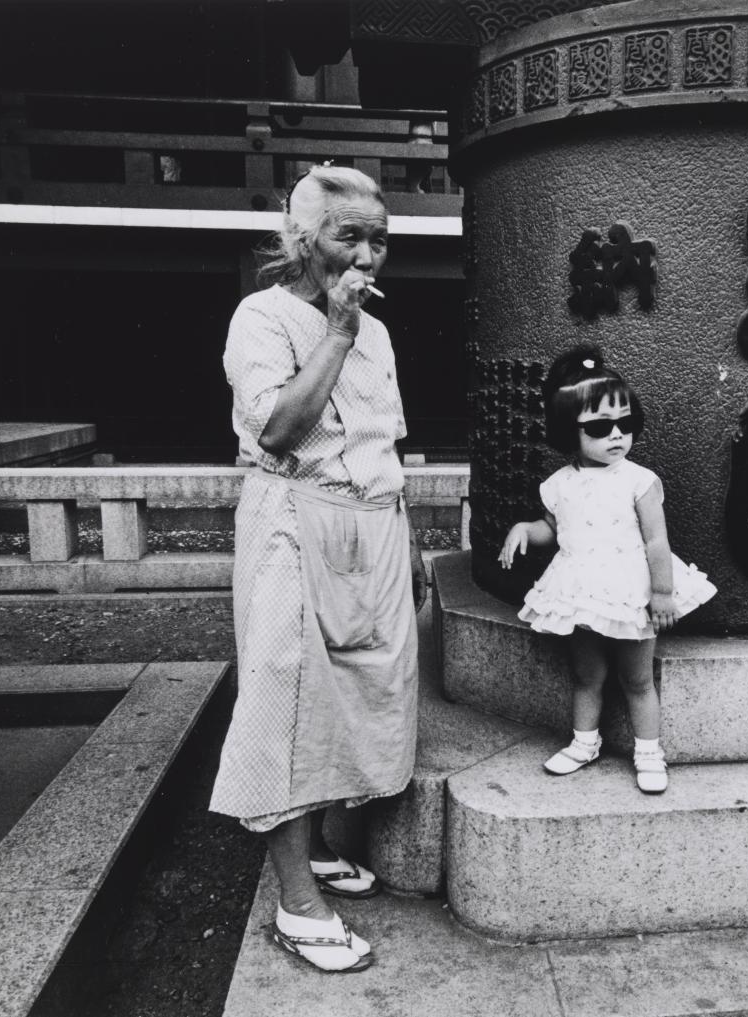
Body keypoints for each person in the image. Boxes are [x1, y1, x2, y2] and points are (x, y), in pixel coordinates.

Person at [210, 165, 416, 974]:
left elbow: (381, 441)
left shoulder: (382, 330)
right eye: (348, 236)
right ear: (303, 239)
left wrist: (407, 547)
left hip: (371, 527)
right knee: (287, 699)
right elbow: (281, 432)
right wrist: (335, 329)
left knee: (355, 689)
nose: (366, 255)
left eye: (379, 240)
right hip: (295, 518)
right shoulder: (262, 317)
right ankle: (298, 902)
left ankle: (319, 843)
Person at [498, 345, 715, 794]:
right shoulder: (559, 483)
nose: (616, 435)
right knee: (586, 674)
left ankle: (649, 751)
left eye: (625, 423)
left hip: (630, 589)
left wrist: (662, 593)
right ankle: (584, 742)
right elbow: (553, 528)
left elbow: (657, 541)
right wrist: (524, 528)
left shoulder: (639, 481)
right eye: (600, 427)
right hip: (580, 589)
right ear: (567, 430)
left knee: (637, 677)